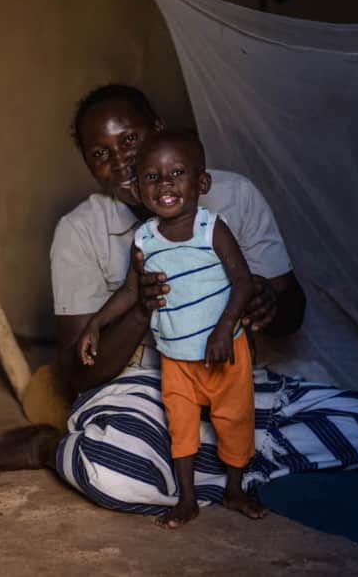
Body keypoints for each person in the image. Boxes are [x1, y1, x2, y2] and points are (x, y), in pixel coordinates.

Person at [0, 84, 358, 524]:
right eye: (100, 153)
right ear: (89, 166)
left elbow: (292, 315)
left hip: (235, 378)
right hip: (146, 391)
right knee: (110, 466)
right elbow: (78, 376)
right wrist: (142, 307)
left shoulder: (233, 196)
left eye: (130, 140)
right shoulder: (81, 231)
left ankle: (225, 464)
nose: (122, 161)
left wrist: (266, 301)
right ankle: (48, 447)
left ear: (159, 131)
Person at [77, 131, 263, 528]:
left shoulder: (211, 229)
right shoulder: (144, 239)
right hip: (176, 359)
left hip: (224, 354)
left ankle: (233, 490)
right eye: (152, 177)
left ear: (201, 183)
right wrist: (95, 323)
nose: (164, 184)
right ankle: (187, 498)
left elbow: (243, 282)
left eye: (177, 173)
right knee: (181, 428)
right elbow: (130, 291)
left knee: (234, 421)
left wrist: (223, 328)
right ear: (139, 187)